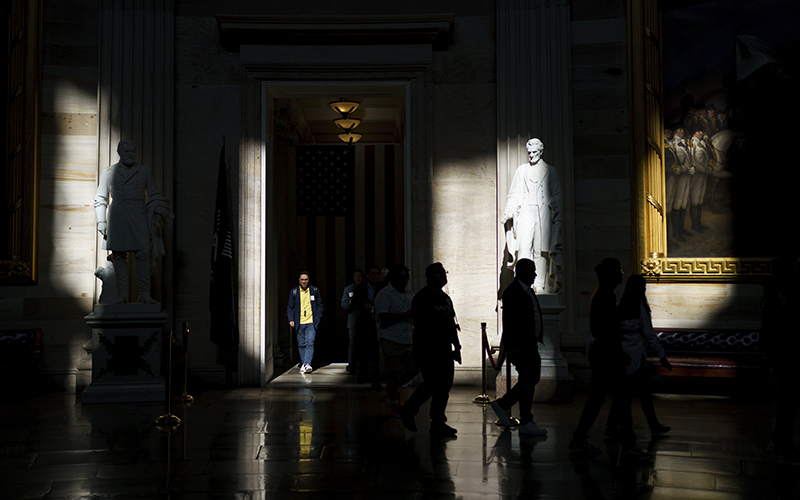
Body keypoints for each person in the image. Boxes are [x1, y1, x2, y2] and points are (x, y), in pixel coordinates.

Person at [569, 258, 639, 457]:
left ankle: (580, 438)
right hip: (607, 356)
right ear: (610, 275)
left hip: (606, 354)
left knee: (604, 399)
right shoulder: (604, 297)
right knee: (618, 401)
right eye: (618, 271)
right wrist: (618, 353)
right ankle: (628, 444)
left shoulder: (604, 294)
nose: (621, 275)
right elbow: (605, 331)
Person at [94, 139, 170, 304]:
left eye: (132, 152)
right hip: (118, 216)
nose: (129, 155)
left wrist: (158, 206)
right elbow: (100, 199)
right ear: (119, 153)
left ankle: (144, 293)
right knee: (119, 256)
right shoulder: (108, 172)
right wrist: (101, 222)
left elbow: (153, 194)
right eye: (126, 152)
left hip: (138, 215)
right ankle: (123, 295)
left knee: (143, 253)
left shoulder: (144, 172)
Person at [606, 275, 672, 438]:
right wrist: (661, 355)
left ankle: (611, 426)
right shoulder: (640, 308)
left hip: (623, 355)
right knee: (644, 393)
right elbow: (649, 334)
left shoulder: (618, 307)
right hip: (637, 355)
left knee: (623, 394)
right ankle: (653, 426)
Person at [400, 263, 462, 437]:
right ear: (429, 276)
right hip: (428, 349)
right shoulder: (422, 297)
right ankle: (408, 409)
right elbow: (419, 325)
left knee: (445, 385)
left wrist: (456, 346)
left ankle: (438, 423)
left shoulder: (445, 298)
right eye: (439, 272)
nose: (443, 275)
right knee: (432, 383)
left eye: (444, 272)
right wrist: (423, 349)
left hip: (444, 349)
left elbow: (451, 323)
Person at [489, 258, 547, 436]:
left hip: (530, 343)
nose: (535, 274)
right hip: (521, 345)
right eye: (531, 271)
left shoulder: (527, 291)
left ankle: (520, 416)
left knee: (530, 380)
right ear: (521, 272)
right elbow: (511, 321)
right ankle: (517, 414)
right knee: (529, 380)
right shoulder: (513, 291)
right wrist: (513, 345)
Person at [502, 138, 563, 293]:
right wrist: (510, 209)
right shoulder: (521, 170)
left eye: (534, 152)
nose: (531, 155)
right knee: (523, 246)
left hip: (543, 213)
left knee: (541, 249)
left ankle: (540, 284)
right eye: (529, 152)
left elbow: (557, 194)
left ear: (541, 152)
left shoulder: (551, 171)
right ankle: (522, 283)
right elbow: (514, 193)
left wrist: (554, 208)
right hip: (525, 212)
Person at [761, 256, 800, 465]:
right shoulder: (787, 292)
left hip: (781, 352)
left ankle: (777, 442)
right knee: (789, 402)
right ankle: (784, 448)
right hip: (789, 352)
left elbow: (766, 325)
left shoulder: (772, 292)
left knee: (787, 401)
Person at [374, 264, 417, 417]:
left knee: (413, 369)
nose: (405, 282)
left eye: (407, 279)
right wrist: (406, 314)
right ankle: (393, 403)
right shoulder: (384, 295)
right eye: (402, 278)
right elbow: (384, 319)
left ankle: (395, 386)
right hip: (391, 340)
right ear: (393, 278)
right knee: (392, 373)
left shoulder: (409, 294)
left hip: (407, 339)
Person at [350, 265, 382, 386]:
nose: (375, 276)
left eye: (377, 273)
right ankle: (362, 375)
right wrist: (363, 305)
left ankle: (376, 377)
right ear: (367, 276)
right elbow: (353, 304)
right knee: (362, 351)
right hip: (364, 323)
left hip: (378, 323)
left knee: (376, 352)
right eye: (372, 274)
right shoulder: (360, 288)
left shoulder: (382, 287)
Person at [286, 272, 323, 374]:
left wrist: (318, 318)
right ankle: (304, 363)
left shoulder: (314, 291)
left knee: (310, 342)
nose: (304, 281)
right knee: (301, 344)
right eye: (302, 279)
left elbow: (320, 305)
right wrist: (291, 319)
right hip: (299, 322)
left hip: (311, 322)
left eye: (306, 279)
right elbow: (290, 307)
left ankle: (307, 364)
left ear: (308, 280)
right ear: (299, 280)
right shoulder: (294, 292)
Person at [341, 268, 364, 373]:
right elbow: (344, 304)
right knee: (353, 344)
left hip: (365, 320)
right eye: (356, 276)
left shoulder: (366, 288)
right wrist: (352, 301)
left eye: (360, 276)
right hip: (353, 320)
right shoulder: (348, 289)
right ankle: (352, 365)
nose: (358, 278)